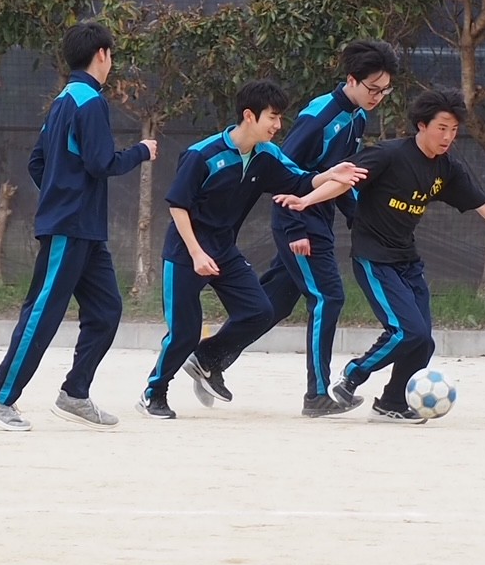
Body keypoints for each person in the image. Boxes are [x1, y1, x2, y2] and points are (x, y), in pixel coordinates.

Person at [275, 88, 485, 423]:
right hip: (373, 257)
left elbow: (481, 203)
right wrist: (306, 201)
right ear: (422, 125)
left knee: (422, 342)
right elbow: (343, 181)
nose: (448, 136)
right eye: (442, 128)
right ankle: (352, 376)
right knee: (406, 332)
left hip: (406, 260)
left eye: (454, 130)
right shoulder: (388, 155)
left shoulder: (448, 169)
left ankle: (392, 402)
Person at [136, 79, 367, 420]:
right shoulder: (204, 154)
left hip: (224, 250)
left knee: (260, 310)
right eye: (272, 118)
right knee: (184, 332)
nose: (278, 125)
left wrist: (330, 173)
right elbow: (177, 205)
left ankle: (207, 358)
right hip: (186, 252)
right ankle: (154, 392)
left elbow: (301, 181)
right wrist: (197, 253)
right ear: (249, 116)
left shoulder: (266, 156)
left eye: (279, 118)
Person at [0, 21, 157, 432]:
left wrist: (60, 193)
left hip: (84, 230)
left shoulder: (63, 101)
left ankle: (75, 393)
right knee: (43, 312)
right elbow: (102, 163)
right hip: (70, 228)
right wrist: (141, 152)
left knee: (107, 310)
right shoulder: (88, 101)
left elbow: (39, 162)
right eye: (112, 55)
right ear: (102, 55)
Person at [205, 40, 401, 418]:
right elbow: (283, 170)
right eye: (372, 88)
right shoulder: (320, 117)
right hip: (300, 219)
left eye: (385, 90)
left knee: (273, 305)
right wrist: (294, 226)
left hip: (318, 218)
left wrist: (358, 215)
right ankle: (317, 395)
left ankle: (208, 356)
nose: (378, 96)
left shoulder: (358, 116)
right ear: (351, 80)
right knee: (329, 297)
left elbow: (341, 175)